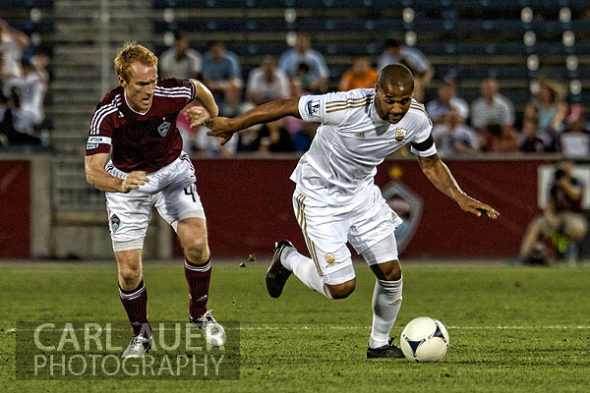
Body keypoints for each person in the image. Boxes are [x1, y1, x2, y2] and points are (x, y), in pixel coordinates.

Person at [188, 64, 499, 358]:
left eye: (403, 101)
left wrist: (459, 196)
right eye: (389, 100)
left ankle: (378, 345)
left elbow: (429, 161)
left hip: (362, 196)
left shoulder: (416, 119)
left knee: (390, 272)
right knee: (341, 288)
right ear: (376, 91)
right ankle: (287, 257)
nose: (396, 108)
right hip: (318, 195)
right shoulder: (345, 106)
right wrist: (232, 124)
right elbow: (286, 105)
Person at [84, 42, 225, 359]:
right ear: (123, 82)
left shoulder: (170, 92)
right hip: (126, 179)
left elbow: (199, 89)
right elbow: (93, 172)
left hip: (171, 170)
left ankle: (199, 313)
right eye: (142, 84)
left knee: (198, 243)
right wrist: (120, 183)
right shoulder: (107, 112)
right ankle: (141, 335)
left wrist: (213, 116)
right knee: (130, 272)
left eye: (153, 80)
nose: (150, 89)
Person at [519, 160, 587, 265]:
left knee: (577, 228)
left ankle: (572, 256)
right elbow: (549, 206)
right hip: (557, 215)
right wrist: (550, 217)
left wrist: (565, 184)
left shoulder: (577, 181)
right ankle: (523, 256)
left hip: (573, 215)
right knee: (536, 225)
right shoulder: (554, 185)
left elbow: (576, 195)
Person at [377, 38, 434, 103]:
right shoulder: (385, 57)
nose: (393, 51)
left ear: (400, 47)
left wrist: (424, 81)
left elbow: (428, 70)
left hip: (413, 78)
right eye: (391, 49)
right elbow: (381, 76)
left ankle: (416, 105)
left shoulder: (412, 54)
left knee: (416, 84)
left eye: (395, 48)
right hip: (394, 81)